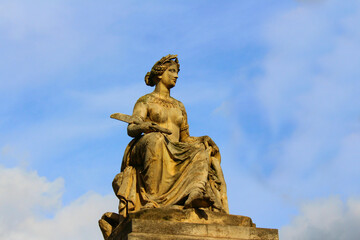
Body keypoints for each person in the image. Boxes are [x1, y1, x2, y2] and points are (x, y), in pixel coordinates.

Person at [99, 55, 228, 239]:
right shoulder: (146, 101)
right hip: (145, 147)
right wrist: (145, 126)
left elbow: (185, 139)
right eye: (172, 71)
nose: (176, 76)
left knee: (200, 148)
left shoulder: (179, 105)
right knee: (156, 139)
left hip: (174, 147)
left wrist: (203, 139)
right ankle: (152, 200)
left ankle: (195, 192)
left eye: (177, 72)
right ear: (160, 74)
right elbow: (132, 128)